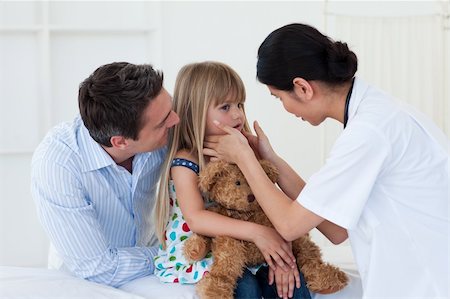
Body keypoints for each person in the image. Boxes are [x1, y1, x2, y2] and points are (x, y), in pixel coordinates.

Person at [204, 23, 449, 298]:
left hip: (428, 284)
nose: (285, 108)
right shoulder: (380, 116)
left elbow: (290, 224)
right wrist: (269, 158)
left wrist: (245, 159)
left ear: (302, 88)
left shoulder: (368, 134)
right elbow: (336, 229)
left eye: (279, 98)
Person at [153, 61, 311, 299]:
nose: (238, 114)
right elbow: (197, 218)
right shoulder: (186, 160)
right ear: (195, 110)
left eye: (239, 104)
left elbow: (272, 206)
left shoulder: (246, 153)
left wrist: (279, 247)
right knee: (244, 286)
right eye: (225, 107)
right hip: (206, 249)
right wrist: (259, 233)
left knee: (293, 281)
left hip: (248, 248)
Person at [30, 62, 180, 287]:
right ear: (120, 142)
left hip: (151, 269)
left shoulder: (158, 126)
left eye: (171, 108)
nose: (176, 120)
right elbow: (97, 269)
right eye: (163, 122)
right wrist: (174, 253)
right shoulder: (58, 164)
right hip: (85, 283)